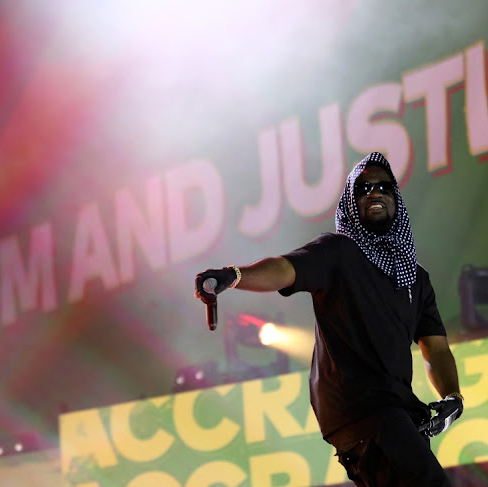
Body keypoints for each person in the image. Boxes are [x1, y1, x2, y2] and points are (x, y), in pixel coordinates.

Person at [195, 152, 464, 486]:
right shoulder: (339, 252)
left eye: (384, 186)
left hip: (397, 412)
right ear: (352, 204)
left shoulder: (415, 279)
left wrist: (452, 396)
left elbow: (435, 348)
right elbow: (284, 269)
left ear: (397, 199)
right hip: (366, 411)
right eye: (364, 189)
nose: (375, 192)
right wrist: (234, 276)